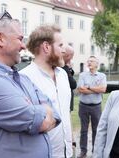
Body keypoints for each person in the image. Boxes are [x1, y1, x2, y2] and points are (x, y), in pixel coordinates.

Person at [0, 12, 61, 158]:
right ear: (0, 39)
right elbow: (41, 122)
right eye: (20, 39)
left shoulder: (22, 78)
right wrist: (41, 110)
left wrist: (37, 109)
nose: (24, 46)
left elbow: (55, 114)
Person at [20, 25, 73, 158]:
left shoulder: (63, 74)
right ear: (46, 47)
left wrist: (72, 142)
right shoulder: (24, 78)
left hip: (67, 153)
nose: (64, 50)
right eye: (60, 45)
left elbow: (66, 112)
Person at [77, 56, 107, 158]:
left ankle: (95, 151)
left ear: (96, 64)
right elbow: (81, 90)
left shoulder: (102, 76)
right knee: (83, 130)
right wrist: (96, 89)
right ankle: (83, 151)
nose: (89, 62)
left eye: (92, 61)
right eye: (88, 61)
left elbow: (103, 89)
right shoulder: (82, 75)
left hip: (96, 107)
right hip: (83, 106)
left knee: (96, 130)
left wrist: (89, 87)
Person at [62, 45, 77, 112]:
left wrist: (70, 68)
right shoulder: (62, 67)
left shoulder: (65, 67)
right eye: (72, 56)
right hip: (64, 103)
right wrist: (68, 68)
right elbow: (73, 84)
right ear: (69, 56)